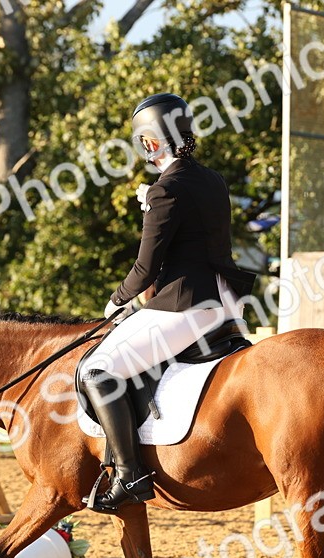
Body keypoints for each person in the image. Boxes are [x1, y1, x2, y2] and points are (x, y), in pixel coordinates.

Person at [81, 92, 254, 515]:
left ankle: (128, 474)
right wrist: (154, 201)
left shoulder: (166, 190)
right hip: (227, 304)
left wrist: (114, 302)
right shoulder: (213, 180)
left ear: (148, 142)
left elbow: (145, 270)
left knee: (96, 369)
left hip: (185, 307)